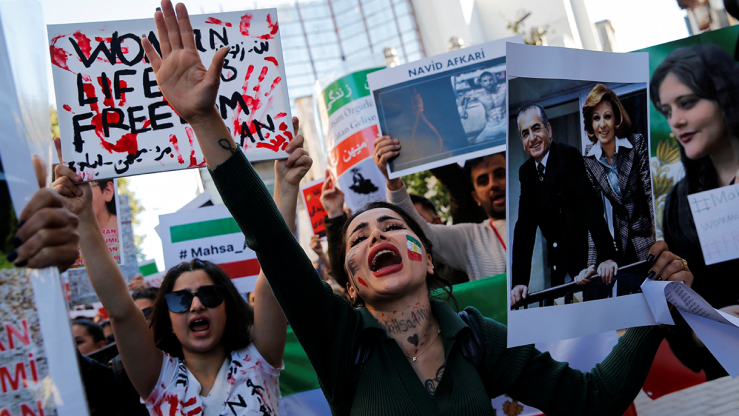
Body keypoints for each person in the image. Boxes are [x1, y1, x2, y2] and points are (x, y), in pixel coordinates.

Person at [140, 3, 694, 413]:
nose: (374, 234)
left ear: (427, 259)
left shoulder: (480, 337)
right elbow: (271, 241)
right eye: (357, 238)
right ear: (351, 284)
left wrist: (657, 305)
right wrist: (203, 120)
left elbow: (592, 398)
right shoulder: (341, 340)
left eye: (391, 225)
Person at [51, 62, 311, 415]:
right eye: (179, 301)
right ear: (167, 317)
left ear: (228, 304)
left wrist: (287, 186)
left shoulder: (260, 357)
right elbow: (121, 309)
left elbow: (274, 268)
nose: (196, 306)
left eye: (208, 294)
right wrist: (83, 213)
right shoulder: (156, 378)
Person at [650, 44, 739, 380]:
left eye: (686, 103)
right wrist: (700, 332)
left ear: (726, 96)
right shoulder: (677, 205)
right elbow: (681, 313)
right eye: (667, 110)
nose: (676, 120)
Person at [510, 104, 618, 307]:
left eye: (536, 128)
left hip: (587, 267)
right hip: (559, 269)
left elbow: (591, 208)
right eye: (525, 134)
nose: (532, 138)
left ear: (548, 130)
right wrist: (519, 282)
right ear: (522, 142)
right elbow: (525, 228)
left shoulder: (568, 156)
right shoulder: (526, 173)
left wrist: (607, 257)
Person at [374, 137, 507, 282]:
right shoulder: (471, 237)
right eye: (483, 181)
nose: (493, 184)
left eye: (500, 174)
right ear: (475, 197)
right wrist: (393, 181)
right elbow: (417, 231)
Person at [574, 84, 655, 297]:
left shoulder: (636, 144)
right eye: (596, 118)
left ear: (617, 118)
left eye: (607, 116)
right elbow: (594, 215)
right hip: (622, 243)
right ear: (590, 124)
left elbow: (650, 194)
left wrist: (659, 239)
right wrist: (592, 263)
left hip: (649, 236)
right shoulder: (589, 160)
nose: (602, 124)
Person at [457, 71, 506, 144]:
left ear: (494, 80)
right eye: (485, 81)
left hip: (505, 122)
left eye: (490, 80)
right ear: (481, 83)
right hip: (491, 126)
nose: (488, 82)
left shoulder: (503, 90)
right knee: (477, 142)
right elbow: (462, 97)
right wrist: (461, 111)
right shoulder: (479, 95)